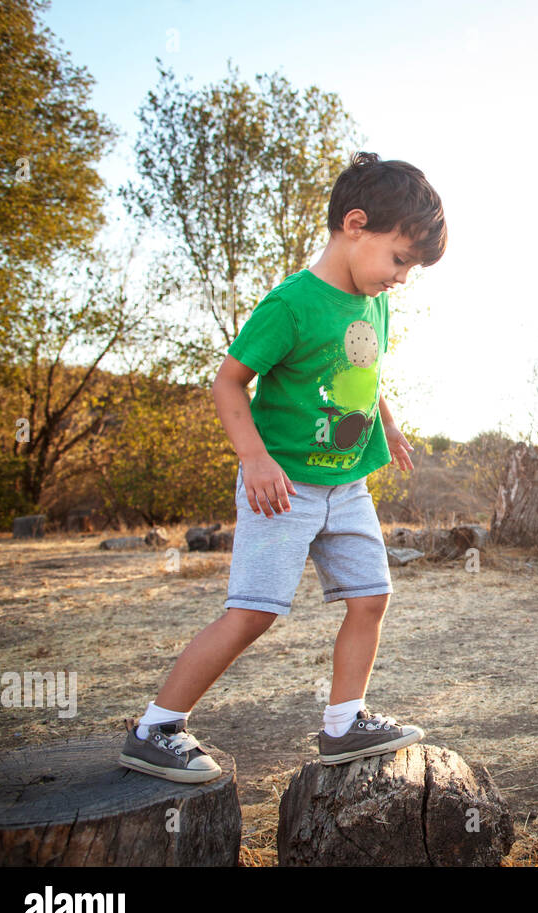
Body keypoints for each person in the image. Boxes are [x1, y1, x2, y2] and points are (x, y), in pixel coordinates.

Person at [119, 153, 446, 782]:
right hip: (283, 487)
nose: (402, 277)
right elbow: (228, 383)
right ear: (356, 224)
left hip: (347, 484)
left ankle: (344, 721)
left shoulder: (374, 302)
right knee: (254, 612)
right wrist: (256, 458)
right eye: (400, 259)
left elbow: (364, 373)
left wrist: (390, 423)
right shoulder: (291, 304)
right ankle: (156, 726)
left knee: (372, 596)